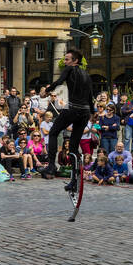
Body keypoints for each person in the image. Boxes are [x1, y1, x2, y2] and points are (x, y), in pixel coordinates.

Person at [42, 49, 93, 190]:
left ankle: (51, 165)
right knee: (73, 148)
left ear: (75, 61)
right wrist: (92, 114)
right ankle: (75, 181)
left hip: (73, 109)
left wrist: (46, 91)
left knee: (53, 132)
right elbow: (90, 97)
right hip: (85, 112)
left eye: (67, 59)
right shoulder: (87, 75)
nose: (64, 62)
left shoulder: (69, 69)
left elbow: (58, 81)